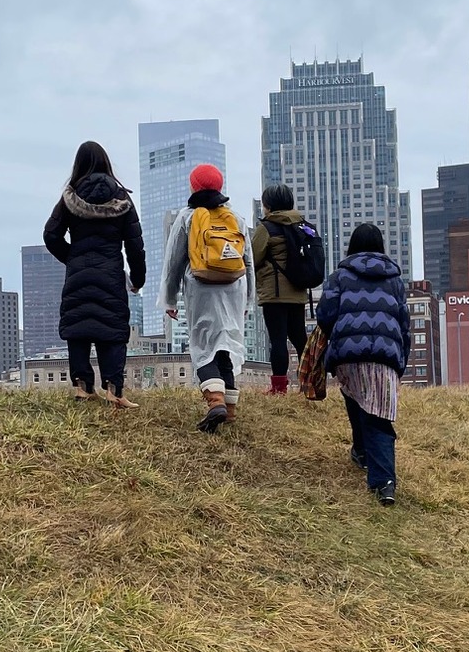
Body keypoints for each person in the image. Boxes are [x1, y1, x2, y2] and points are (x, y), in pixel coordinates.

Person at [43, 140, 146, 407]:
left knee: (79, 326)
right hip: (111, 273)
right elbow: (135, 244)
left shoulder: (69, 197)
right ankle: (114, 390)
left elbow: (51, 235)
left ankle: (83, 387)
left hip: (78, 273)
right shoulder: (122, 198)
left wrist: (72, 258)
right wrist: (138, 278)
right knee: (111, 327)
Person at [314, 223, 410, 505]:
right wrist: (401, 358)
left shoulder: (340, 276)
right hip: (385, 356)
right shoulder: (395, 281)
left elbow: (325, 315)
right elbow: (404, 324)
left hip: (348, 355)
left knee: (355, 395)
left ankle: (361, 451)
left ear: (352, 246)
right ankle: (385, 484)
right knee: (378, 416)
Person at [158, 162, 252, 432]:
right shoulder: (236, 218)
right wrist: (247, 300)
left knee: (203, 344)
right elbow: (248, 263)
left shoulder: (188, 217)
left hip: (201, 287)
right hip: (234, 288)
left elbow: (174, 260)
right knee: (227, 342)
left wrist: (170, 299)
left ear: (194, 186)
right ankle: (230, 409)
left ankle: (215, 402)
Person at [251, 182, 318, 394]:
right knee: (300, 339)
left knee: (278, 341)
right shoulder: (303, 226)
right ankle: (309, 383)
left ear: (268, 205)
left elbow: (253, 258)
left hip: (275, 294)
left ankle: (279, 388)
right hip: (298, 292)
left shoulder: (267, 228)